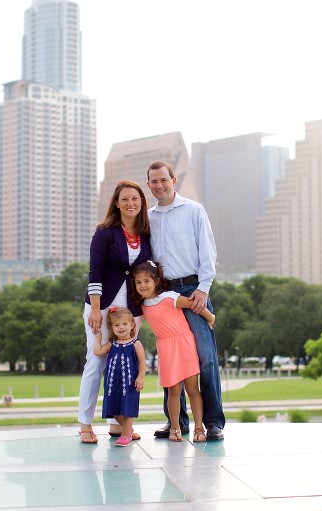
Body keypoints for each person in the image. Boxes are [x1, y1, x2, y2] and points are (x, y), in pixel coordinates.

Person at [146, 160, 226, 441]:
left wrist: (203, 289)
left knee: (204, 358)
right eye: (154, 182)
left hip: (193, 289)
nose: (159, 185)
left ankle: (214, 422)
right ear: (149, 185)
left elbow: (208, 251)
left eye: (163, 180)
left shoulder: (194, 210)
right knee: (171, 357)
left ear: (173, 180)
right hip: (165, 294)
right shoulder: (149, 217)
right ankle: (176, 422)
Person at [78, 180, 152, 444]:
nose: (130, 203)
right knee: (96, 362)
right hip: (102, 306)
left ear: (142, 202)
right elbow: (94, 272)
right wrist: (96, 310)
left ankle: (116, 424)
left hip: (132, 311)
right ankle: (85, 424)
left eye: (135, 198)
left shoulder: (146, 234)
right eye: (124, 199)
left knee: (124, 365)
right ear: (116, 203)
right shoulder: (104, 232)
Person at [133, 260, 214, 442]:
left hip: (184, 344)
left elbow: (194, 304)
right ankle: (175, 428)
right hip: (166, 349)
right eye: (138, 282)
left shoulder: (170, 297)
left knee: (193, 389)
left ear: (156, 281)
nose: (143, 285)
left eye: (147, 281)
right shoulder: (143, 305)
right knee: (173, 391)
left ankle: (199, 428)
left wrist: (210, 316)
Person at [93, 306, 147, 447]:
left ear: (132, 325)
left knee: (127, 409)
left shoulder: (136, 343)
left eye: (124, 324)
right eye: (117, 325)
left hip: (129, 384)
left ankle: (126, 434)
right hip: (112, 384)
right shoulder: (112, 344)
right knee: (114, 409)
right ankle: (129, 430)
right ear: (111, 328)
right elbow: (98, 352)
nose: (121, 327)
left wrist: (140, 377)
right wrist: (97, 337)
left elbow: (142, 362)